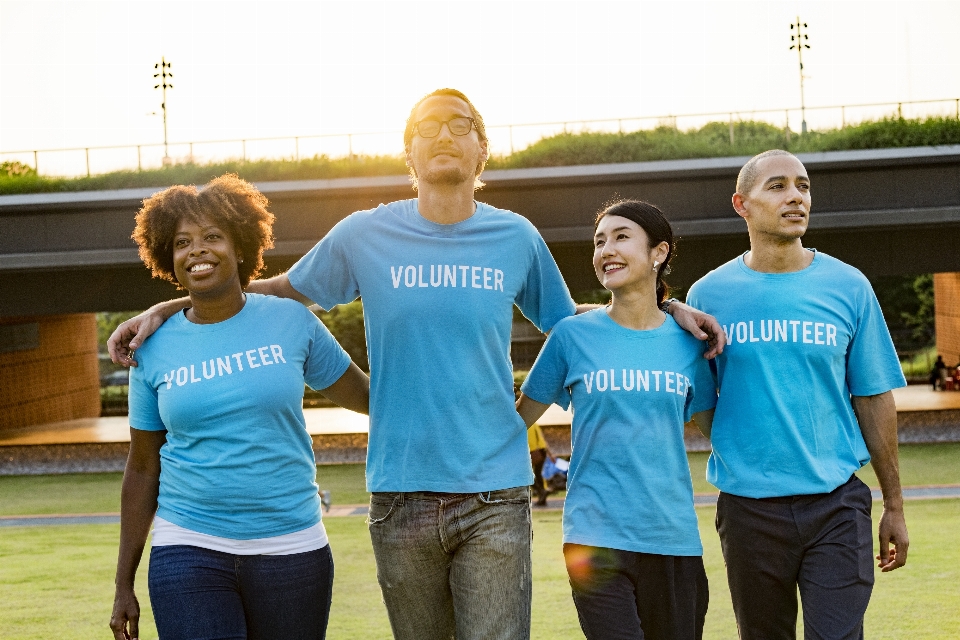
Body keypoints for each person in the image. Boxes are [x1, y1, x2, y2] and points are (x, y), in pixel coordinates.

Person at [108, 89, 725, 640]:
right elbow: (277, 289)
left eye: (459, 124)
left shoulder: (515, 237)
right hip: (399, 493)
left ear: (482, 150)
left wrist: (667, 307)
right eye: (426, 127)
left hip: (495, 493)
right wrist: (168, 304)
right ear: (407, 153)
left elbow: (579, 323)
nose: (443, 136)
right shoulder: (363, 234)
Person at [109, 175, 370, 640]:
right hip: (187, 544)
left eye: (213, 237)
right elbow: (143, 466)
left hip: (292, 546)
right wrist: (122, 582)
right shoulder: (150, 347)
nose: (198, 251)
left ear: (242, 246)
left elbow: (370, 398)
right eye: (183, 242)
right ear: (168, 257)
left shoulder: (292, 321)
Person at [685, 150, 909, 640]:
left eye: (803, 186)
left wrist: (893, 502)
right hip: (748, 511)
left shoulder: (849, 286)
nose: (795, 197)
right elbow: (702, 405)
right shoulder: (708, 295)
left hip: (836, 504)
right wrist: (745, 445)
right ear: (742, 204)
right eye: (778, 186)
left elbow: (874, 398)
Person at [517, 200, 716, 640]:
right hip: (595, 538)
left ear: (658, 253)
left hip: (672, 538)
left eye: (621, 236)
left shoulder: (688, 344)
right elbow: (515, 424)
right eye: (599, 241)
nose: (606, 248)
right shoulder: (571, 336)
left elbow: (720, 432)